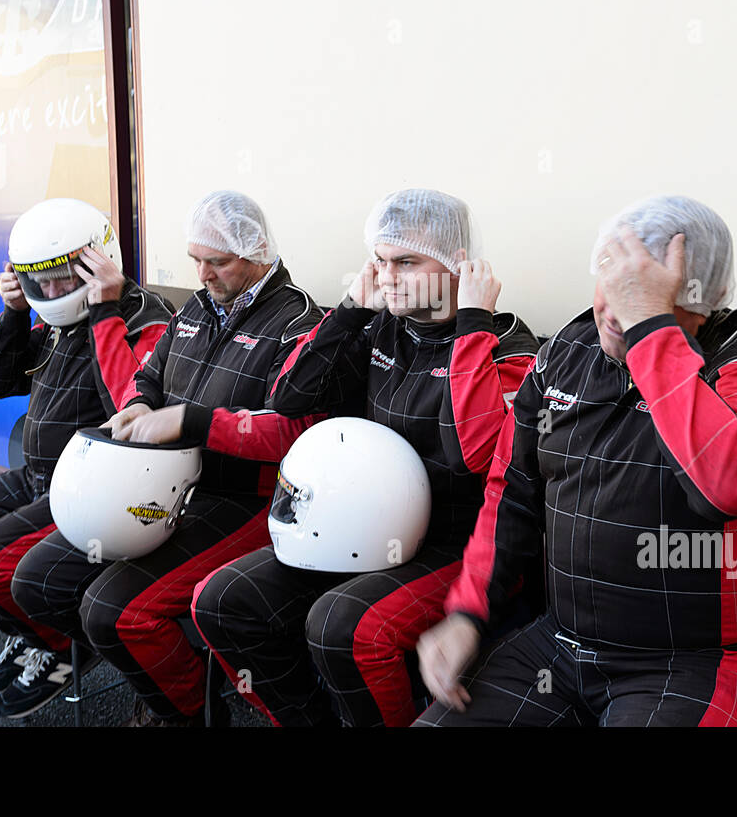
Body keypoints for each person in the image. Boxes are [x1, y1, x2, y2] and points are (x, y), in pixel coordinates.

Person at [414, 195, 737, 727]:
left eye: (646, 297)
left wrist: (651, 332)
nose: (616, 314)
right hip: (562, 646)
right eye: (613, 284)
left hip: (700, 662)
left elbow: (727, 487)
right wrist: (466, 614)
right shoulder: (567, 353)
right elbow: (512, 488)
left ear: (702, 298)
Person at [192, 188, 540, 727]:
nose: (389, 275)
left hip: (455, 542)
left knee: (342, 626)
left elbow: (473, 455)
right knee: (223, 599)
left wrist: (471, 325)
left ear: (456, 266)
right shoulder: (381, 327)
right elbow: (289, 398)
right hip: (359, 526)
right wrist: (351, 310)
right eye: (379, 260)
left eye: (406, 261)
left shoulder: (511, 348)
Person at [9, 190, 328, 726]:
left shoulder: (298, 322)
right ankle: (161, 679)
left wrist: (192, 421)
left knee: (115, 611)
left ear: (258, 253)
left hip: (242, 500)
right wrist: (136, 406)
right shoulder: (195, 311)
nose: (202, 274)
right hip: (164, 484)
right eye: (195, 260)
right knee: (39, 578)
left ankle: (186, 711)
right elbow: (148, 378)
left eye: (217, 262)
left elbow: (296, 433)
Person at [0, 198, 173, 718]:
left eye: (67, 276)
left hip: (94, 491)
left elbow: (132, 410)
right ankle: (36, 634)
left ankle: (62, 645)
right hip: (36, 475)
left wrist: (105, 309)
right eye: (43, 281)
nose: (58, 290)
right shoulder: (48, 317)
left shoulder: (146, 317)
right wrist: (14, 313)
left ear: (97, 261)